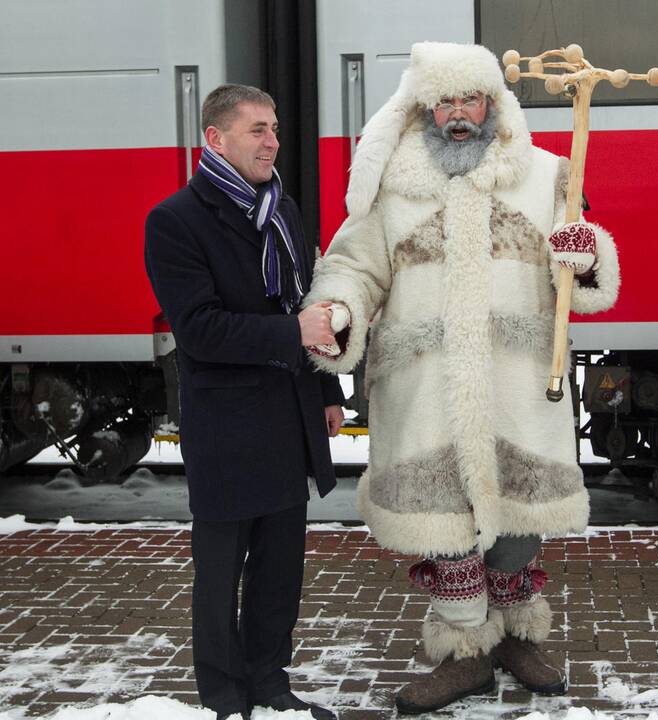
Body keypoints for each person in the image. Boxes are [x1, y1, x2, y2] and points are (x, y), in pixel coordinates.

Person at [300, 43, 621, 714]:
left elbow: (584, 273)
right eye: (441, 102)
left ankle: (513, 637)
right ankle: (463, 652)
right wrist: (339, 308)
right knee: (444, 524)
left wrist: (584, 258)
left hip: (518, 383)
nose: (455, 114)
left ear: (492, 103)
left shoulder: (547, 174)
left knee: (517, 520)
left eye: (466, 100)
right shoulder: (393, 183)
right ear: (423, 107)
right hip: (428, 388)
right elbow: (354, 266)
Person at [143, 84, 343, 720]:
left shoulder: (281, 208)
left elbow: (303, 303)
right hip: (227, 422)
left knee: (280, 570)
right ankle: (225, 698)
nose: (272, 141)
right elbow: (199, 329)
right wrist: (294, 335)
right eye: (257, 130)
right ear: (215, 139)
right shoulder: (175, 220)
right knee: (221, 572)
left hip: (287, 412)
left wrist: (326, 388)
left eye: (275, 129)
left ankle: (270, 685)